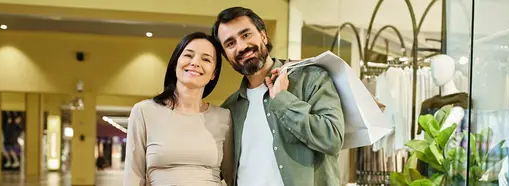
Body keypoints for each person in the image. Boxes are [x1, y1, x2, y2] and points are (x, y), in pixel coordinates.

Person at [212, 7, 345, 186]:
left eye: (246, 35)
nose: (242, 47)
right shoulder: (230, 107)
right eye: (230, 43)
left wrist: (283, 101)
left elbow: (332, 138)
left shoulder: (311, 78)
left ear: (263, 36)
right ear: (227, 57)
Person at [123, 32, 233, 186]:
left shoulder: (224, 117)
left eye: (206, 59)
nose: (195, 63)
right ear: (176, 63)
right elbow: (133, 176)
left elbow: (231, 177)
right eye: (188, 55)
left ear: (214, 73)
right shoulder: (144, 111)